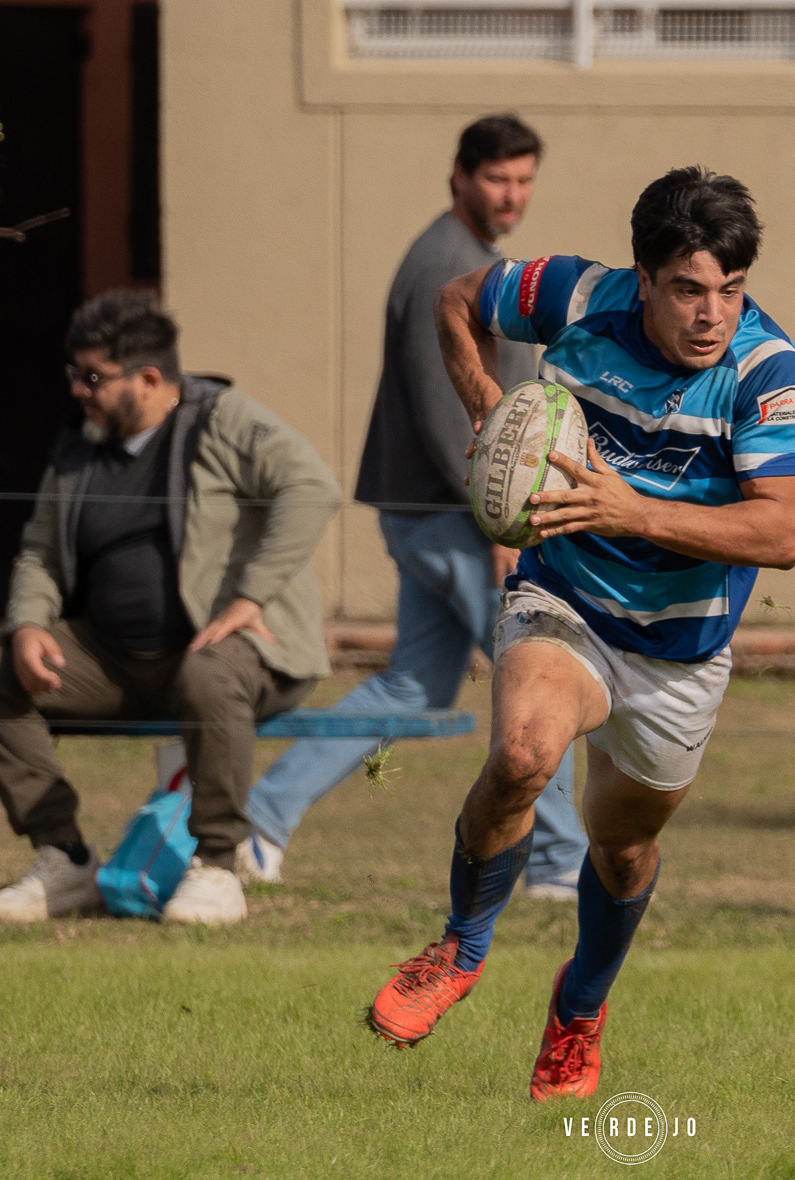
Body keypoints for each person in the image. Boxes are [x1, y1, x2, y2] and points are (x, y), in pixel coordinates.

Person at [365, 167, 795, 1101]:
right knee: (524, 754)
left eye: (730, 290)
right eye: (689, 290)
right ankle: (461, 944)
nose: (712, 314)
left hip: (678, 650)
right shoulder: (574, 294)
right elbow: (458, 302)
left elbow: (785, 531)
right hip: (563, 599)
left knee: (620, 849)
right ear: (642, 278)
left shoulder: (769, 374)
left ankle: (579, 1009)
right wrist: (484, 400)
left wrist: (637, 512)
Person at [238, 113, 586, 895]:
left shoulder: (469, 256)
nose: (512, 195)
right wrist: (497, 526)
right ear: (459, 177)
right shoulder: (447, 264)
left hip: (431, 517)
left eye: (524, 180)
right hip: (455, 522)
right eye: (498, 179)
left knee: (413, 688)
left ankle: (260, 818)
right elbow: (449, 415)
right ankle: (561, 863)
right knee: (537, 682)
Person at [0, 291, 339, 927]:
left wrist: (251, 596)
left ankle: (217, 867)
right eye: (74, 373)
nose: (78, 389)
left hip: (233, 653)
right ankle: (65, 857)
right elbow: (39, 552)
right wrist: (26, 627)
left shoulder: (222, 418)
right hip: (112, 660)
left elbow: (311, 488)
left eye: (93, 376)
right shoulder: (80, 445)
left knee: (207, 674)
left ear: (150, 379)